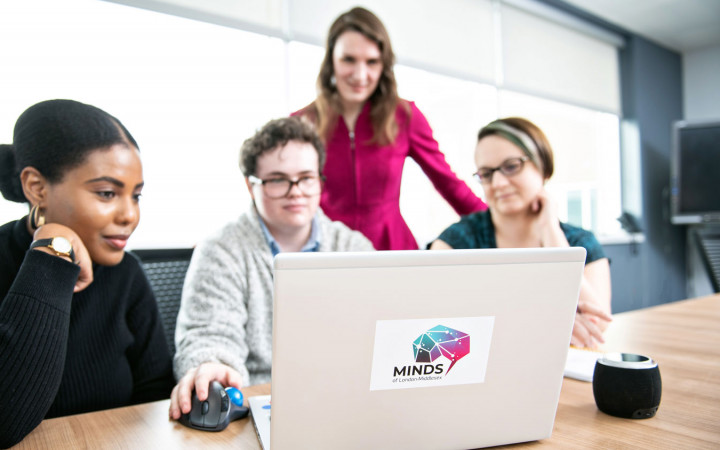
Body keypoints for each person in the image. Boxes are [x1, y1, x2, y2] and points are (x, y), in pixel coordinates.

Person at [0, 100, 174, 446]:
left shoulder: (126, 273)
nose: (130, 215)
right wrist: (54, 252)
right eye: (107, 193)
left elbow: (156, 396)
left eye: (137, 196)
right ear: (37, 188)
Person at [169, 117, 373, 421]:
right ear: (251, 186)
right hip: (258, 406)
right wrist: (213, 368)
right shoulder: (221, 251)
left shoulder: (354, 247)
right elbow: (209, 337)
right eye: (278, 179)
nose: (296, 191)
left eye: (306, 177)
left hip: (347, 403)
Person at [293, 6, 486, 251]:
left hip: (393, 251)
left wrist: (502, 223)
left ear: (384, 65)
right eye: (348, 59)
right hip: (328, 253)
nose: (360, 75)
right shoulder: (301, 123)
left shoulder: (405, 117)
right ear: (331, 60)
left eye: (372, 62)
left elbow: (450, 185)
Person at [430, 117, 612, 348]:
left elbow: (599, 325)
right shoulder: (456, 242)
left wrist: (551, 232)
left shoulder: (581, 242)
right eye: (486, 173)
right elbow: (439, 328)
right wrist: (549, 322)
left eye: (511, 166)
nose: (498, 183)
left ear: (543, 167)